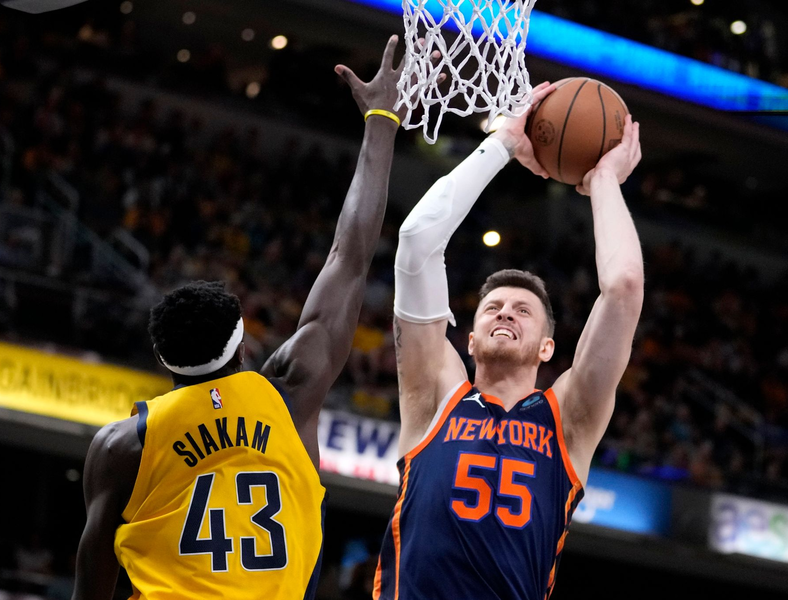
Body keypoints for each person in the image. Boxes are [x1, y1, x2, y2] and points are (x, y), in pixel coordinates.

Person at [72, 36, 413, 600]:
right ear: (242, 346)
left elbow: (93, 576)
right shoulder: (288, 394)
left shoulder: (121, 445)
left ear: (164, 360)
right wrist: (380, 119)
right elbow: (348, 258)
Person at [373, 82, 644, 599]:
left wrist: (604, 180)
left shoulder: (568, 420)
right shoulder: (435, 393)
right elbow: (415, 244)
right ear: (469, 341)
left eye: (524, 311)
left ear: (547, 348)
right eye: (492, 308)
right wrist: (499, 144)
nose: (505, 313)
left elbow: (624, 286)